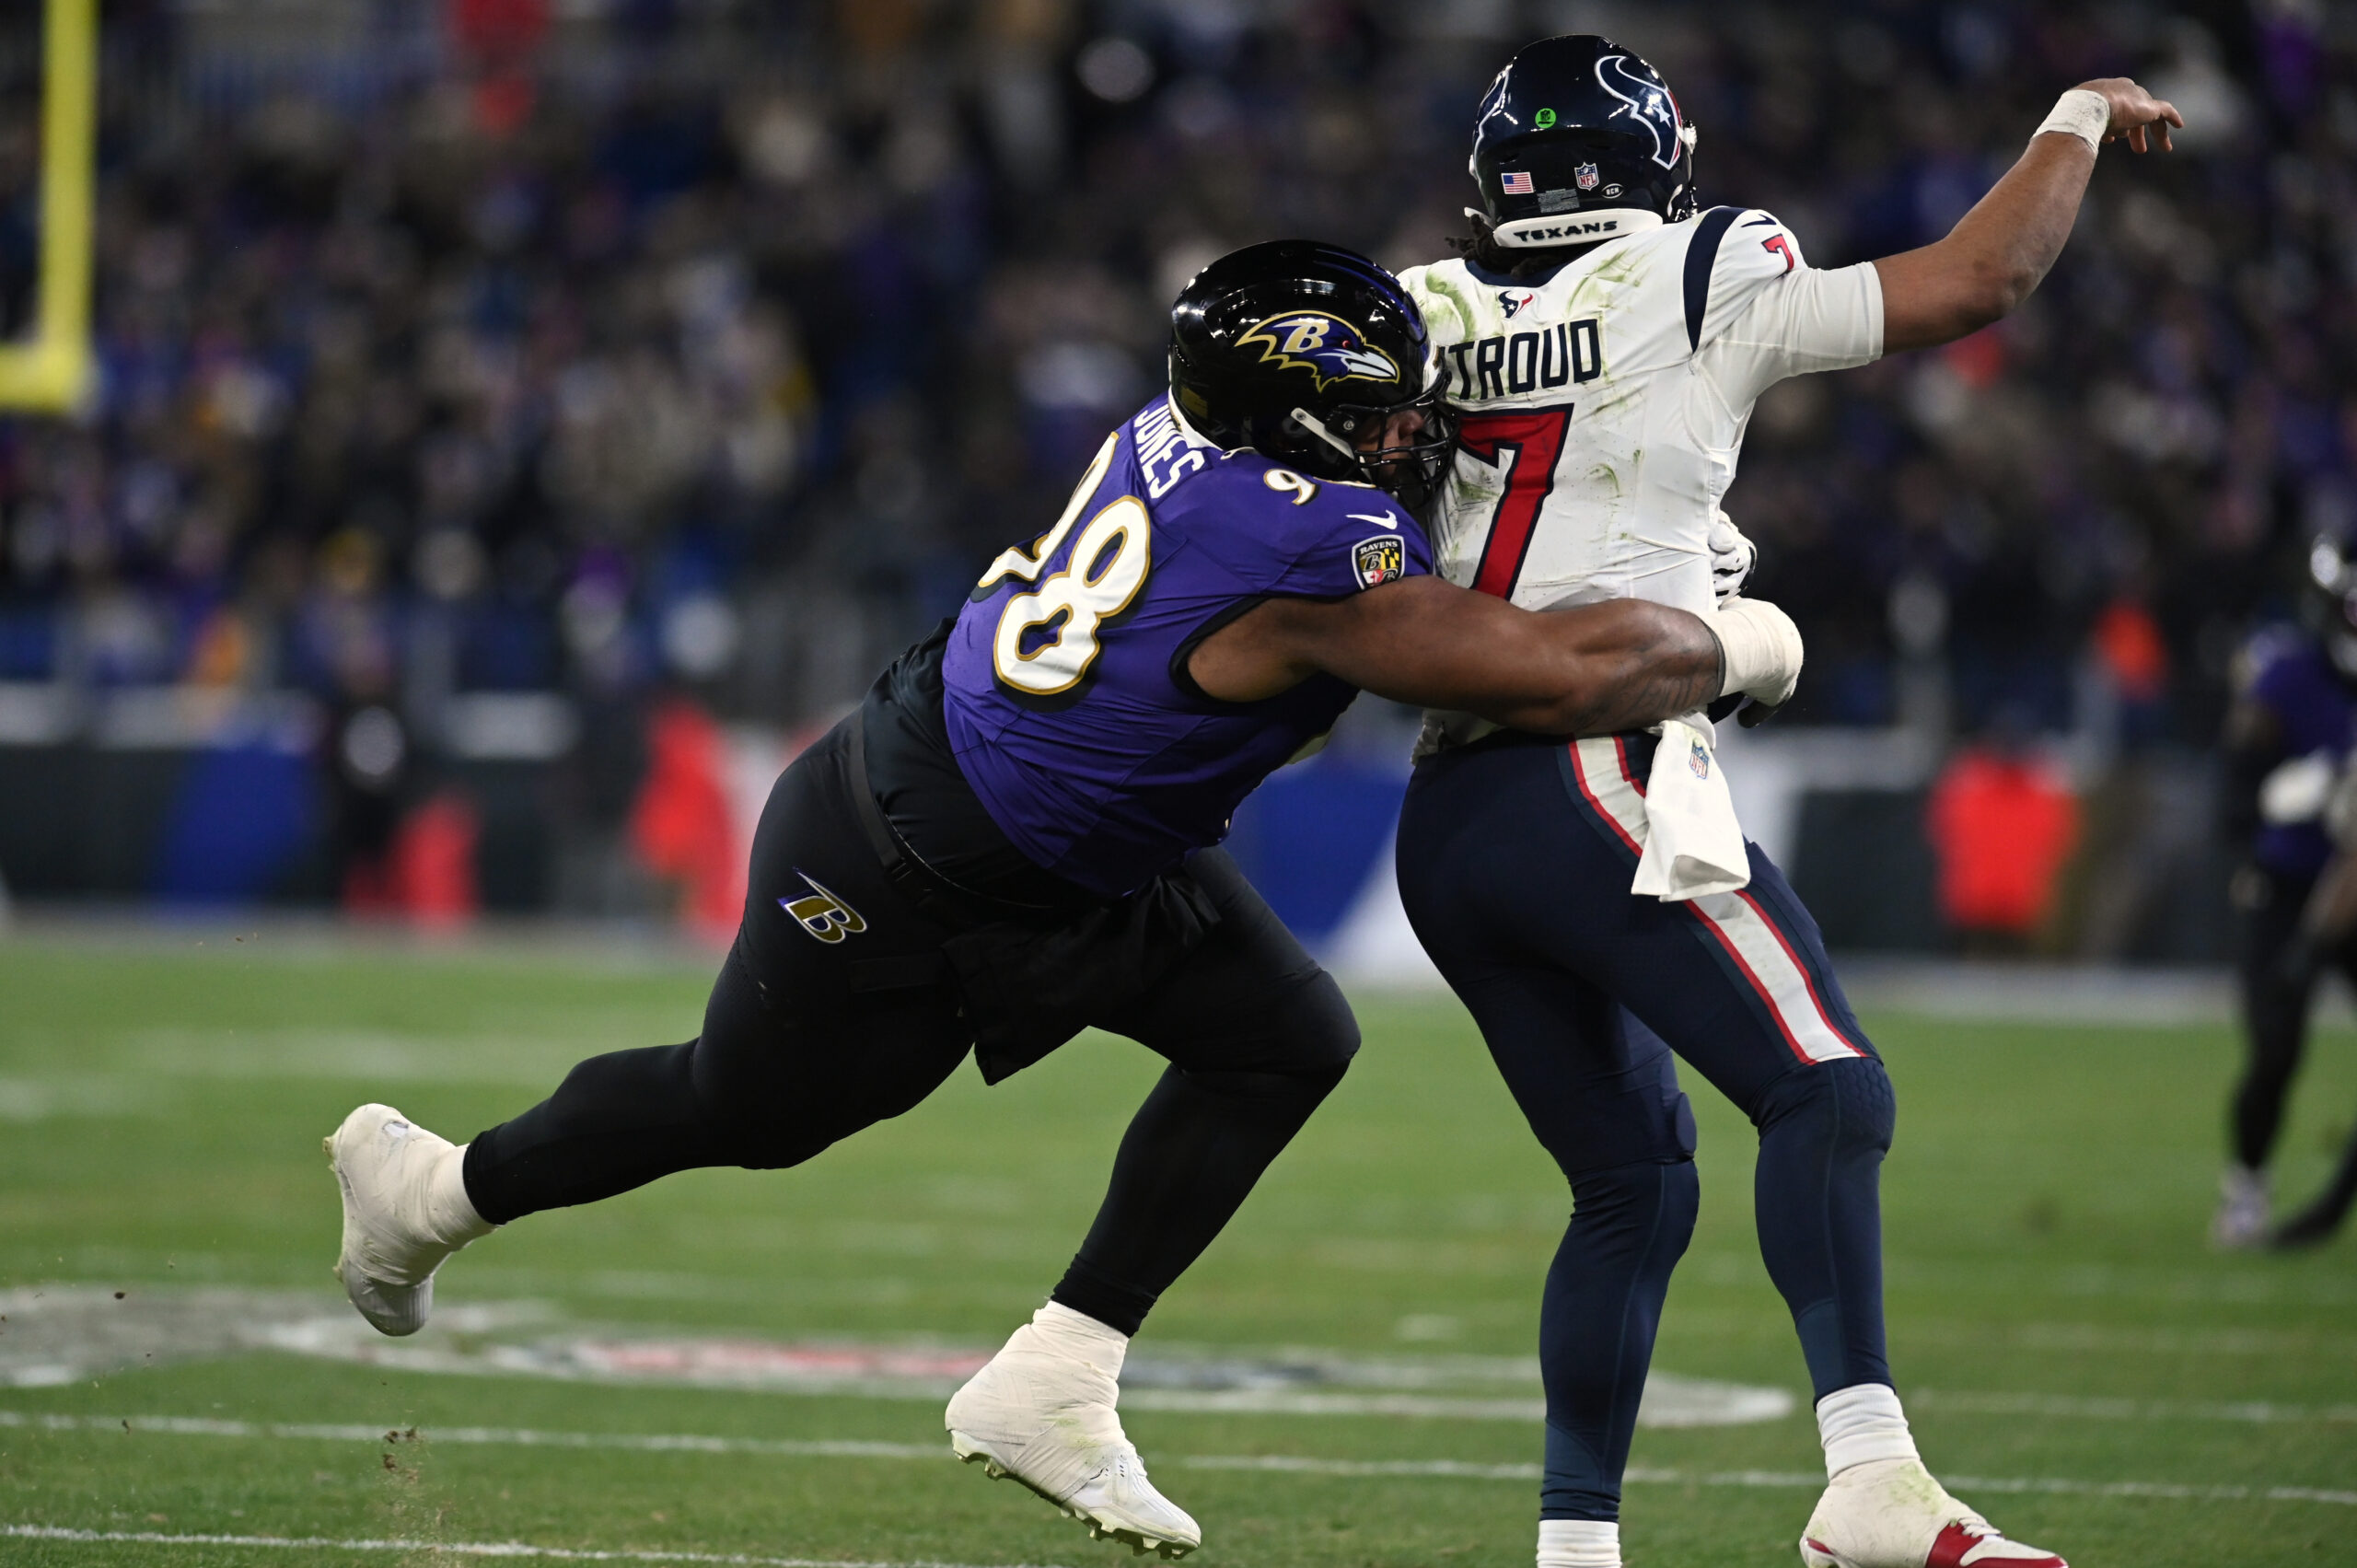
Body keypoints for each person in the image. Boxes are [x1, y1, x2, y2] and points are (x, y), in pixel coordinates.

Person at [325, 239, 1805, 1560]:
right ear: (1296, 423)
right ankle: (433, 1193)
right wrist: (1737, 635)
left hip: (1053, 841)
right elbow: (1549, 670)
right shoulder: (1303, 550)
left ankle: (1061, 1369)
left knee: (1285, 1034)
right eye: (1373, 414)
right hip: (898, 855)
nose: (1407, 432)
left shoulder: (1191, 430)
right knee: (746, 1110)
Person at [1390, 35, 2180, 1568]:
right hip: (1593, 767)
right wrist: (2076, 116)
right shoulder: (1703, 266)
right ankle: (1870, 1480)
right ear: (1659, 159)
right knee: (1826, 1087)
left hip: (1449, 815)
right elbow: (1976, 282)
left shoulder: (1423, 309)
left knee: (1632, 1183)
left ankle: (1574, 1550)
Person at [2217, 537, 2357, 1249]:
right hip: (2291, 884)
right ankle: (2247, 1184)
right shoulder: (2289, 678)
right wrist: (2300, 796)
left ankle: (2333, 1206)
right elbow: (2234, 802)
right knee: (2275, 1045)